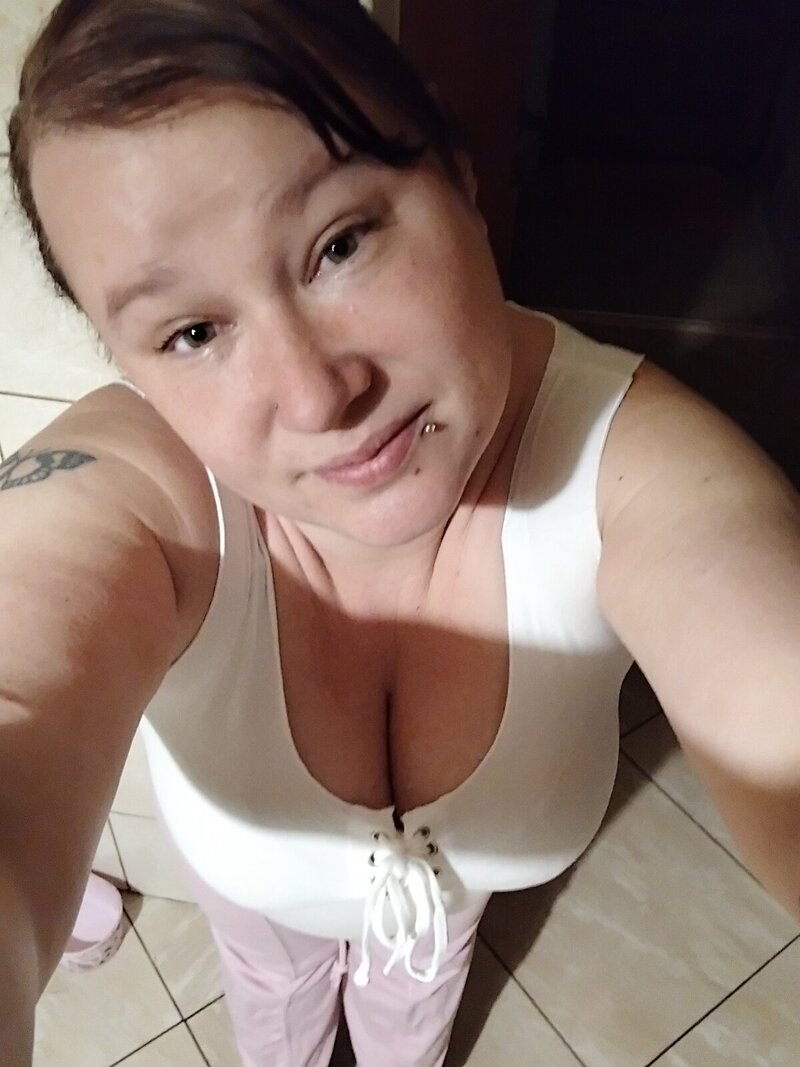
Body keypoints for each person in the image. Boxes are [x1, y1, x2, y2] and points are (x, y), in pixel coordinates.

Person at [2, 1, 799, 1064]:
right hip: (257, 911)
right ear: (126, 363)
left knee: (413, 1005)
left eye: (340, 244)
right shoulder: (143, 493)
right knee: (274, 1000)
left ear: (459, 176)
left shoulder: (636, 470)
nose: (315, 395)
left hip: (439, 928)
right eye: (192, 332)